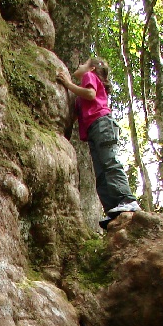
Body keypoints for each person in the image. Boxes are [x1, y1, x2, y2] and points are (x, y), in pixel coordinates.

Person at [57, 57, 141, 229]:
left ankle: (127, 200)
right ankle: (114, 211)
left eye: (84, 63)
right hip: (93, 131)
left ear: (92, 68)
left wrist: (68, 84)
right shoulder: (81, 95)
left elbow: (90, 94)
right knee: (101, 172)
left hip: (102, 124)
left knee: (110, 163)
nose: (80, 66)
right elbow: (76, 113)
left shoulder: (88, 76)